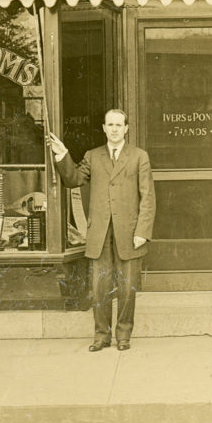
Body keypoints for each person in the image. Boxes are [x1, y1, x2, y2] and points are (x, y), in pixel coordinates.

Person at [47, 109, 155, 352]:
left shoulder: (139, 157)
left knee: (127, 287)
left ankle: (124, 335)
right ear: (104, 128)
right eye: (110, 125)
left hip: (129, 232)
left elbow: (148, 197)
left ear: (126, 128)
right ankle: (101, 336)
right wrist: (63, 155)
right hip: (100, 232)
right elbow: (74, 179)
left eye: (119, 125)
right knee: (99, 287)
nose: (115, 129)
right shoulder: (93, 156)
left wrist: (142, 231)